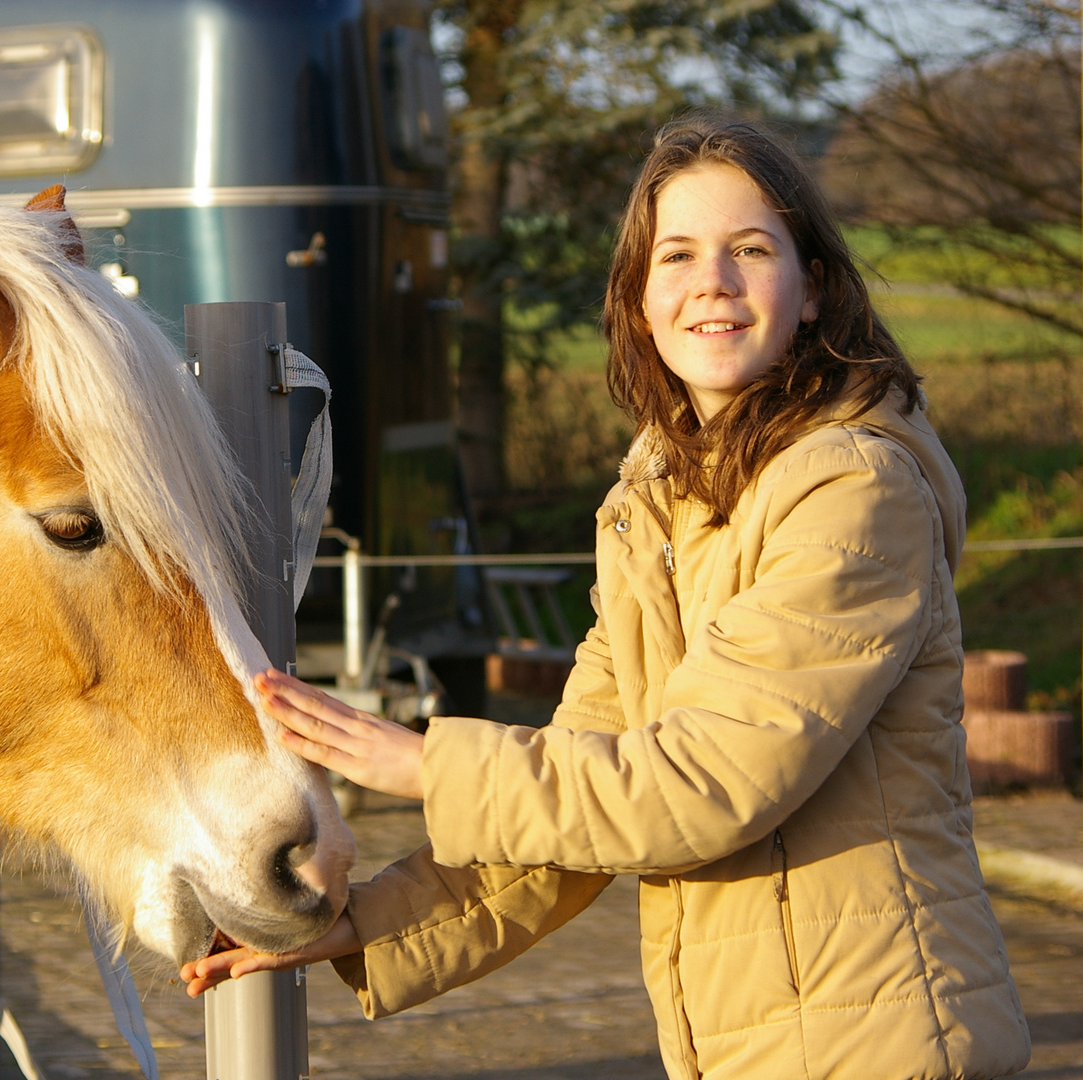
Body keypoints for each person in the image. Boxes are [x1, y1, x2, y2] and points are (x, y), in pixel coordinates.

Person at [183, 115, 1032, 1080]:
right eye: (677, 254)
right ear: (640, 299)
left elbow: (697, 786)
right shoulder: (658, 503)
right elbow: (580, 793)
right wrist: (366, 922)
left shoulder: (853, 490)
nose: (712, 280)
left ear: (814, 293)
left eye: (751, 249)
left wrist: (420, 764)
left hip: (875, 1048)